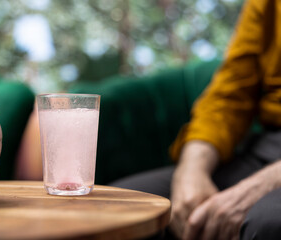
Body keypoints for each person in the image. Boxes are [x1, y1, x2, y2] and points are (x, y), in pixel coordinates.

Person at [111, 0, 281, 239]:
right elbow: (230, 94)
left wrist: (260, 187)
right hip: (267, 147)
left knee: (266, 223)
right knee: (121, 207)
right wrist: (191, 170)